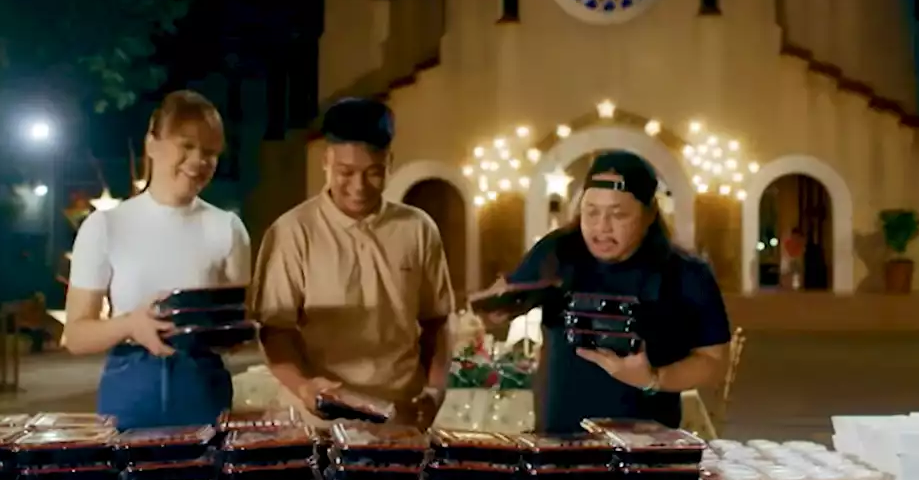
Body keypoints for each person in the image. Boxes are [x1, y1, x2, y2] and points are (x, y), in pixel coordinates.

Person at [481, 151, 731, 434]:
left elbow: (713, 361)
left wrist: (653, 379)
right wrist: (496, 310)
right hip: (560, 438)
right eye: (591, 212)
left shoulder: (686, 273)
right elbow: (504, 305)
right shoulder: (556, 253)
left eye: (618, 214)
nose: (601, 227)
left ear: (650, 214)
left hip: (647, 444)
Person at [251, 98, 455, 430]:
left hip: (399, 419)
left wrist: (434, 391)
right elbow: (275, 329)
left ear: (390, 162)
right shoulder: (292, 232)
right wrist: (304, 386)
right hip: (317, 420)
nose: (359, 187)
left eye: (374, 173)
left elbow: (438, 320)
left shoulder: (418, 228)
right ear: (326, 161)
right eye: (345, 172)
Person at [63, 90, 252, 430]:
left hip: (202, 390)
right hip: (129, 391)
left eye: (210, 152)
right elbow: (76, 335)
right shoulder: (107, 225)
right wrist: (130, 325)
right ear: (152, 143)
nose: (198, 161)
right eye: (187, 146)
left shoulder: (227, 228)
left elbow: (238, 328)